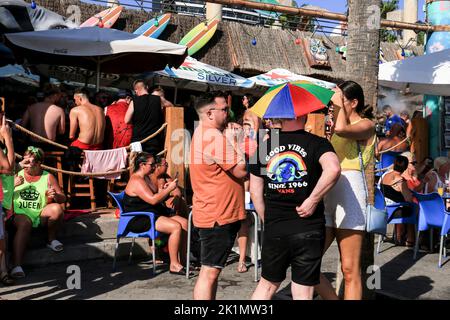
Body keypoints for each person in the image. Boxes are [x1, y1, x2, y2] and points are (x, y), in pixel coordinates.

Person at [249, 112, 341, 300]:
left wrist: (268, 219)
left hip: (276, 226)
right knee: (302, 290)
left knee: (266, 286)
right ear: (301, 115)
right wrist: (313, 199)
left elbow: (255, 192)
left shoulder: (265, 145)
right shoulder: (318, 142)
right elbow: (334, 168)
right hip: (307, 226)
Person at [317, 80, 376, 300]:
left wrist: (337, 104)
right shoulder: (333, 125)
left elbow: (342, 130)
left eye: (341, 101)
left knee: (350, 269)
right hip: (328, 192)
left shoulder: (367, 125)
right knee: (307, 261)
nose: (333, 106)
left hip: (351, 193)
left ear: (354, 102)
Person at [190, 93, 247, 300]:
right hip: (217, 215)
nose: (228, 113)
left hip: (213, 211)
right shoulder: (213, 137)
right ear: (210, 113)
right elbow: (241, 170)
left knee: (211, 272)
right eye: (224, 109)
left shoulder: (203, 132)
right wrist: (236, 143)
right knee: (209, 272)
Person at [123, 152, 189, 275]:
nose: (154, 167)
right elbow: (153, 200)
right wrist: (169, 189)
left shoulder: (146, 177)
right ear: (142, 165)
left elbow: (155, 197)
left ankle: (183, 261)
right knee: (176, 227)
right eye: (152, 164)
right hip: (139, 218)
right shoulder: (136, 180)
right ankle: (174, 264)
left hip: (151, 213)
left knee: (185, 223)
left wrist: (164, 189)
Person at [10, 147, 66, 278]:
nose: (28, 164)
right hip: (19, 214)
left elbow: (62, 198)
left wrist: (55, 196)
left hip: (40, 213)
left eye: (32, 161)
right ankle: (16, 265)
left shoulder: (48, 176)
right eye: (26, 161)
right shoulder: (17, 173)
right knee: (25, 222)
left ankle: (51, 239)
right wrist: (12, 184)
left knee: (57, 209)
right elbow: (3, 193)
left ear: (40, 163)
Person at [125, 80, 164, 154]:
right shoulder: (157, 99)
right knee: (152, 163)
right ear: (147, 87)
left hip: (138, 142)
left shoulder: (134, 101)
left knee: (137, 164)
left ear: (136, 90)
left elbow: (126, 120)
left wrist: (135, 121)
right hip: (154, 140)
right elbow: (171, 106)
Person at [0, 115, 15, 287]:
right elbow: (7, 168)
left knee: (3, 239)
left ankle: (3, 271)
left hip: (4, 194)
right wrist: (8, 138)